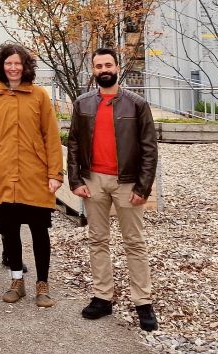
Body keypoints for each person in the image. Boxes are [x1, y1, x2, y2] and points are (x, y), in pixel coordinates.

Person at [68, 47, 159, 331]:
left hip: (128, 182)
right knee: (97, 240)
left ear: (117, 67)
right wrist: (75, 180)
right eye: (98, 65)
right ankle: (102, 297)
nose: (103, 69)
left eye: (108, 64)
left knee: (134, 242)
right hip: (93, 180)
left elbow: (149, 148)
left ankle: (143, 301)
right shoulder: (82, 103)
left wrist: (143, 187)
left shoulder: (136, 104)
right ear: (93, 70)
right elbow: (73, 144)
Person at [0, 43, 62, 308]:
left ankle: (42, 284)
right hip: (2, 174)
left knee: (39, 231)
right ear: (1, 66)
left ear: (25, 67)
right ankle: (17, 280)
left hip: (34, 175)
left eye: (17, 63)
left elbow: (52, 137)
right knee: (9, 231)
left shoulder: (39, 96)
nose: (13, 68)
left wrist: (55, 173)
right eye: (8, 63)